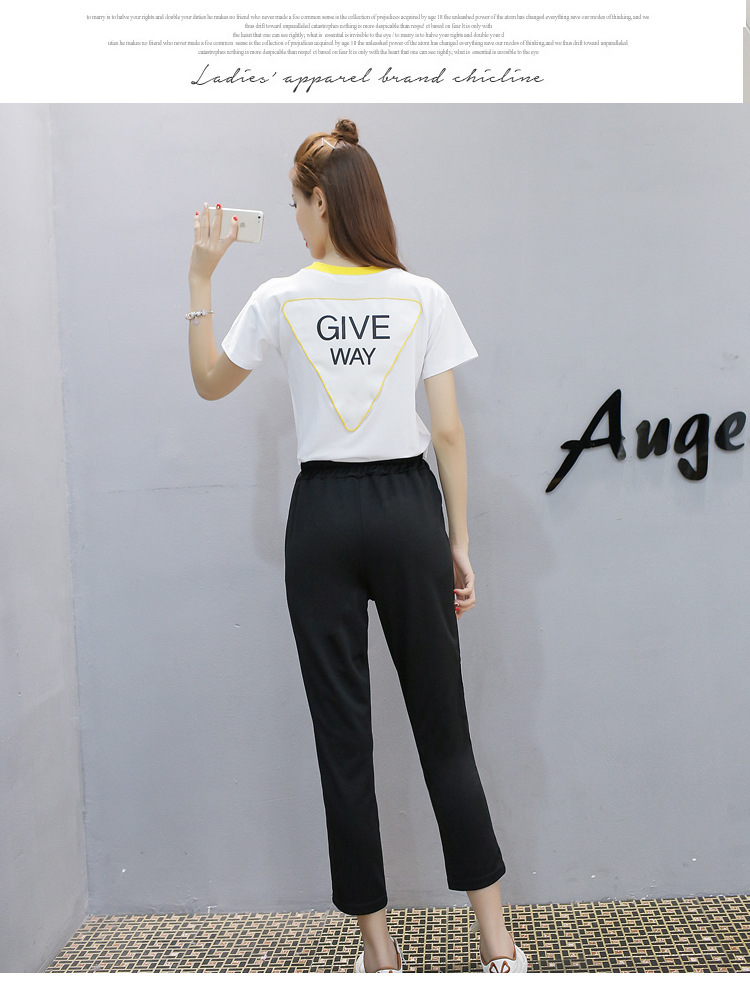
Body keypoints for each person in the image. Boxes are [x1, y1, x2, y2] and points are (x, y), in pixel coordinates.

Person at [186, 118, 527, 975]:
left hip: (323, 520)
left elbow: (209, 382)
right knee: (445, 731)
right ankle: (498, 950)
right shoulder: (422, 296)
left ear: (322, 204)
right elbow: (447, 433)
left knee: (344, 741)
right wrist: (458, 541)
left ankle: (381, 961)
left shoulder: (279, 299)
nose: (295, 221)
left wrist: (200, 275)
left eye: (296, 205)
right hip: (409, 509)